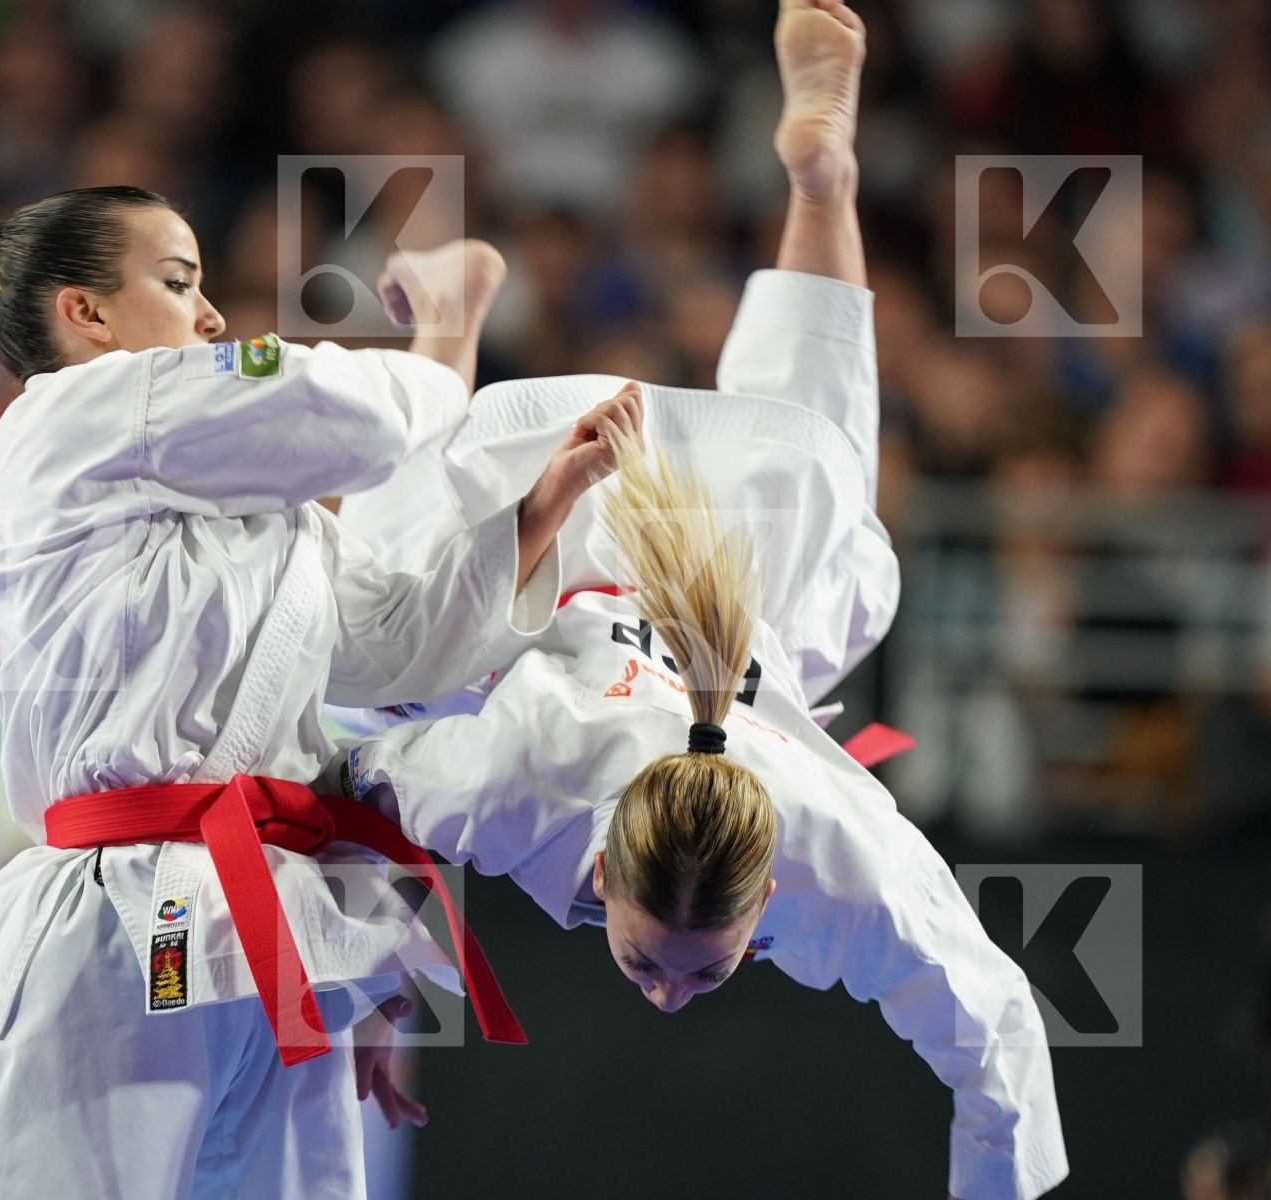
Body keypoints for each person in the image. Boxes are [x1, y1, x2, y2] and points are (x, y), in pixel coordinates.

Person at [0, 185, 646, 1197]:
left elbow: (393, 646)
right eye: (177, 282)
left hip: (272, 926)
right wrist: (444, 332)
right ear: (86, 314)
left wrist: (538, 510)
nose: (211, 315)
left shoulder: (266, 517)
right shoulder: (85, 412)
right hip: (126, 920)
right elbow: (360, 416)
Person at [328, 5, 1068, 1199]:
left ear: (763, 891)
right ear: (612, 872)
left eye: (691, 973)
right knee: (365, 649)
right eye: (678, 968)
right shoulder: (524, 786)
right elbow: (355, 784)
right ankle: (452, 330)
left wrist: (370, 981)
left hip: (718, 545)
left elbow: (1001, 1038)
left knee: (818, 474)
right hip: (579, 511)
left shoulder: (842, 849)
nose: (666, 994)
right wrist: (365, 993)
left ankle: (821, 184)